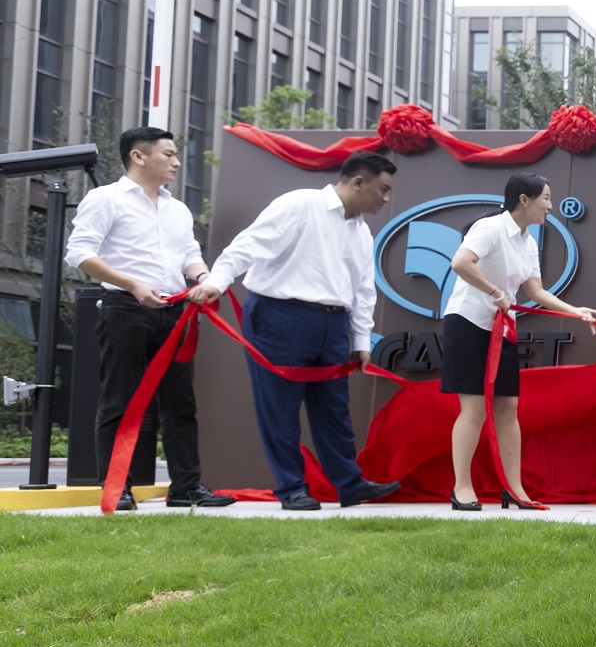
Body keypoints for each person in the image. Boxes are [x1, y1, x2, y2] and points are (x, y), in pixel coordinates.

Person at [189, 151, 404, 510]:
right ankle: (292, 489)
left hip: (334, 322)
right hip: (280, 314)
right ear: (357, 182)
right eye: (382, 190)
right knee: (279, 407)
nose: (385, 198)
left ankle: (349, 484)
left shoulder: (362, 232)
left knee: (334, 407)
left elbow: (364, 290)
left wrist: (360, 339)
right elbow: (248, 245)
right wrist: (216, 282)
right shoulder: (301, 204)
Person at [64, 127, 235, 511]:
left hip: (175, 313)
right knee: (119, 403)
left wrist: (205, 279)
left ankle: (186, 487)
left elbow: (189, 255)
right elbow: (79, 253)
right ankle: (117, 489)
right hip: (125, 309)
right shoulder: (106, 198)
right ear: (138, 156)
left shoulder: (178, 209)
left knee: (181, 404)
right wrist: (132, 285)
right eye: (168, 154)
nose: (177, 163)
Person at [439, 173, 596, 510]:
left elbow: (536, 291)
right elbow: (460, 263)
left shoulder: (528, 242)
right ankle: (462, 488)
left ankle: (514, 489)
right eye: (545, 198)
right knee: (473, 409)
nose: (550, 206)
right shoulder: (490, 228)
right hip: (468, 322)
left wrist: (576, 312)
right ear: (524, 200)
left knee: (508, 407)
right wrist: (495, 292)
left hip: (502, 330)